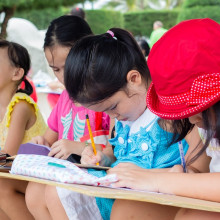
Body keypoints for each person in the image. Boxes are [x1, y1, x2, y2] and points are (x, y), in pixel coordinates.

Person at [61, 28, 207, 220]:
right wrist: (102, 159)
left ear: (134, 79)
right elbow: (114, 152)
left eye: (112, 107)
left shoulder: (171, 111)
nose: (111, 115)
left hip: (164, 196)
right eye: (104, 111)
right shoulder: (122, 116)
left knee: (125, 211)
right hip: (121, 193)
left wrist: (161, 174)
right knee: (52, 193)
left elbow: (200, 168)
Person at [108, 18, 220, 219]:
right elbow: (202, 171)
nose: (191, 120)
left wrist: (159, 181)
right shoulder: (204, 124)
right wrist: (162, 175)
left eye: (196, 109)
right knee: (127, 210)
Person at [25, 15, 110, 220]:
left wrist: (78, 148)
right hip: (64, 175)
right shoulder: (65, 97)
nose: (64, 76)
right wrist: (42, 142)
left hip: (95, 178)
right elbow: (49, 139)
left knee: (54, 194)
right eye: (55, 69)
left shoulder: (107, 97)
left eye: (69, 64)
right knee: (34, 193)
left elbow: (113, 152)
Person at [0, 40, 47, 220]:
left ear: (17, 73)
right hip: (13, 174)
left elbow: (7, 157)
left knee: (1, 186)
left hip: (34, 175)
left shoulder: (20, 105)